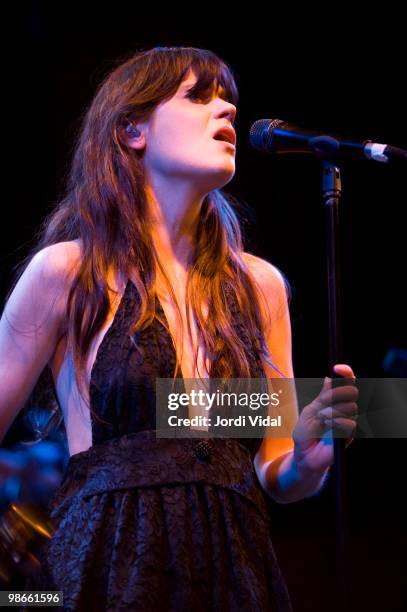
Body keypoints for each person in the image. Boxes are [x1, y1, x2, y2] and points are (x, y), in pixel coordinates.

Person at [0, 46, 359, 611]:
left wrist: (308, 460)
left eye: (228, 102)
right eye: (198, 96)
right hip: (108, 558)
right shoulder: (68, 273)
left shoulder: (258, 286)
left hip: (235, 564)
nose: (227, 112)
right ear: (132, 131)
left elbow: (274, 469)